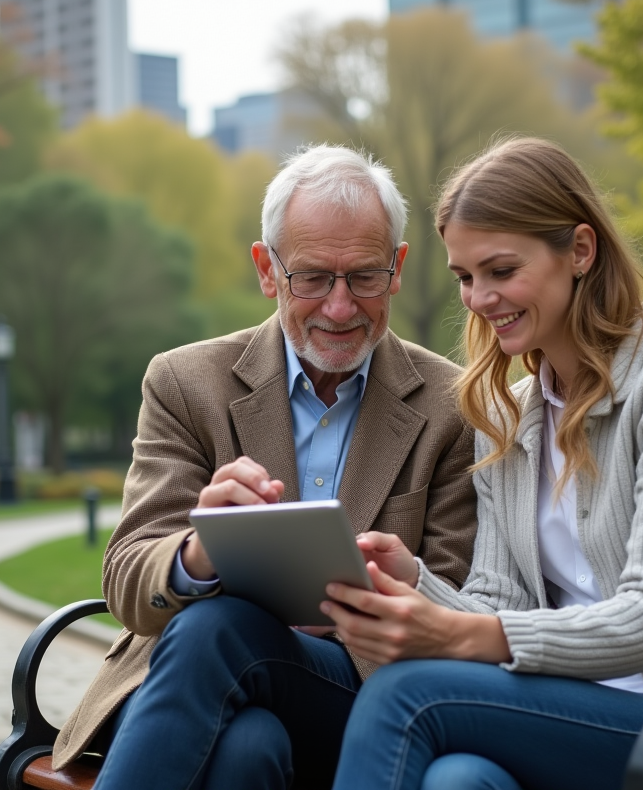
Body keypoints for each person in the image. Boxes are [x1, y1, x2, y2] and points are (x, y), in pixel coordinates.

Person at [319, 137, 643, 790]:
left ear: (580, 251)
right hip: (582, 713)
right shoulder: (507, 411)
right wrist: (413, 583)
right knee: (460, 781)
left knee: (407, 694)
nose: (478, 298)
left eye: (500, 271)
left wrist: (456, 636)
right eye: (465, 277)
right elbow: (500, 602)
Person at [49, 144, 478, 790]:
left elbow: (457, 606)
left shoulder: (453, 407)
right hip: (195, 690)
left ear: (397, 269)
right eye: (311, 278)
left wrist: (381, 589)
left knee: (217, 626)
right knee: (247, 748)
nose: (339, 308)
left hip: (360, 696)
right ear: (266, 269)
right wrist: (199, 551)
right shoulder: (186, 383)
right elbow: (128, 578)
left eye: (363, 276)